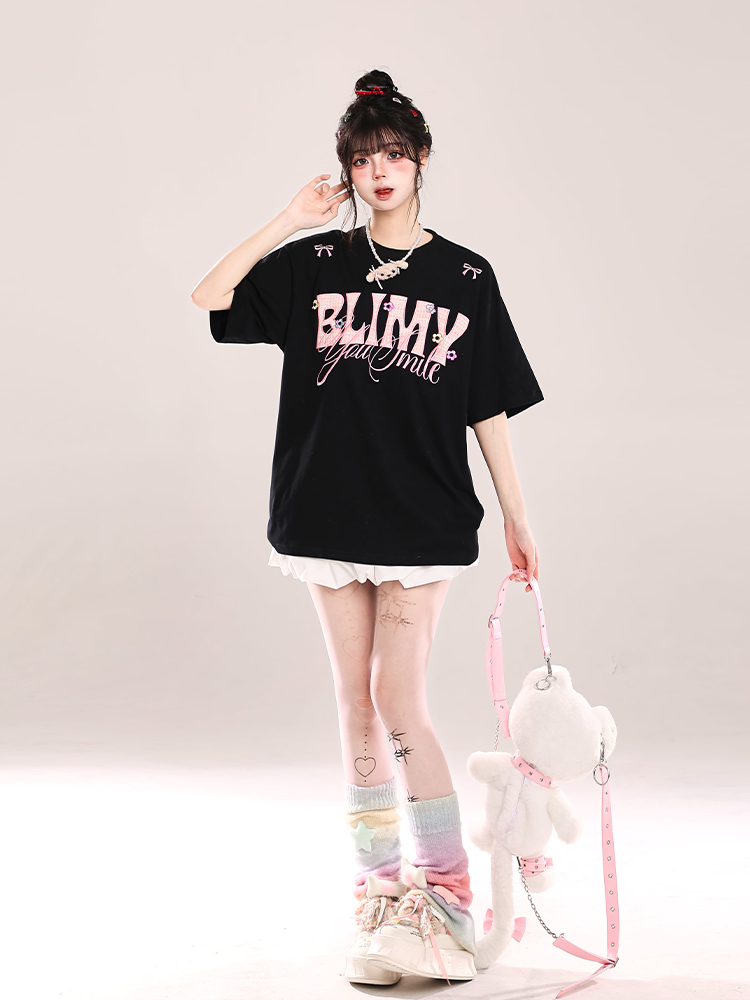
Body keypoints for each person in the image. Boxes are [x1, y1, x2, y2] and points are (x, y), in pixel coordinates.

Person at [191, 68, 544, 986]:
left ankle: (447, 904)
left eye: (392, 154)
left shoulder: (467, 276)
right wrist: (288, 220)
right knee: (354, 705)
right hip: (324, 512)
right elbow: (210, 298)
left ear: (421, 158)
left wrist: (516, 513)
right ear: (346, 170)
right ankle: (381, 901)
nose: (378, 172)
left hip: (422, 517)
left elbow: (487, 404)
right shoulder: (316, 263)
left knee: (399, 701)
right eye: (361, 159)